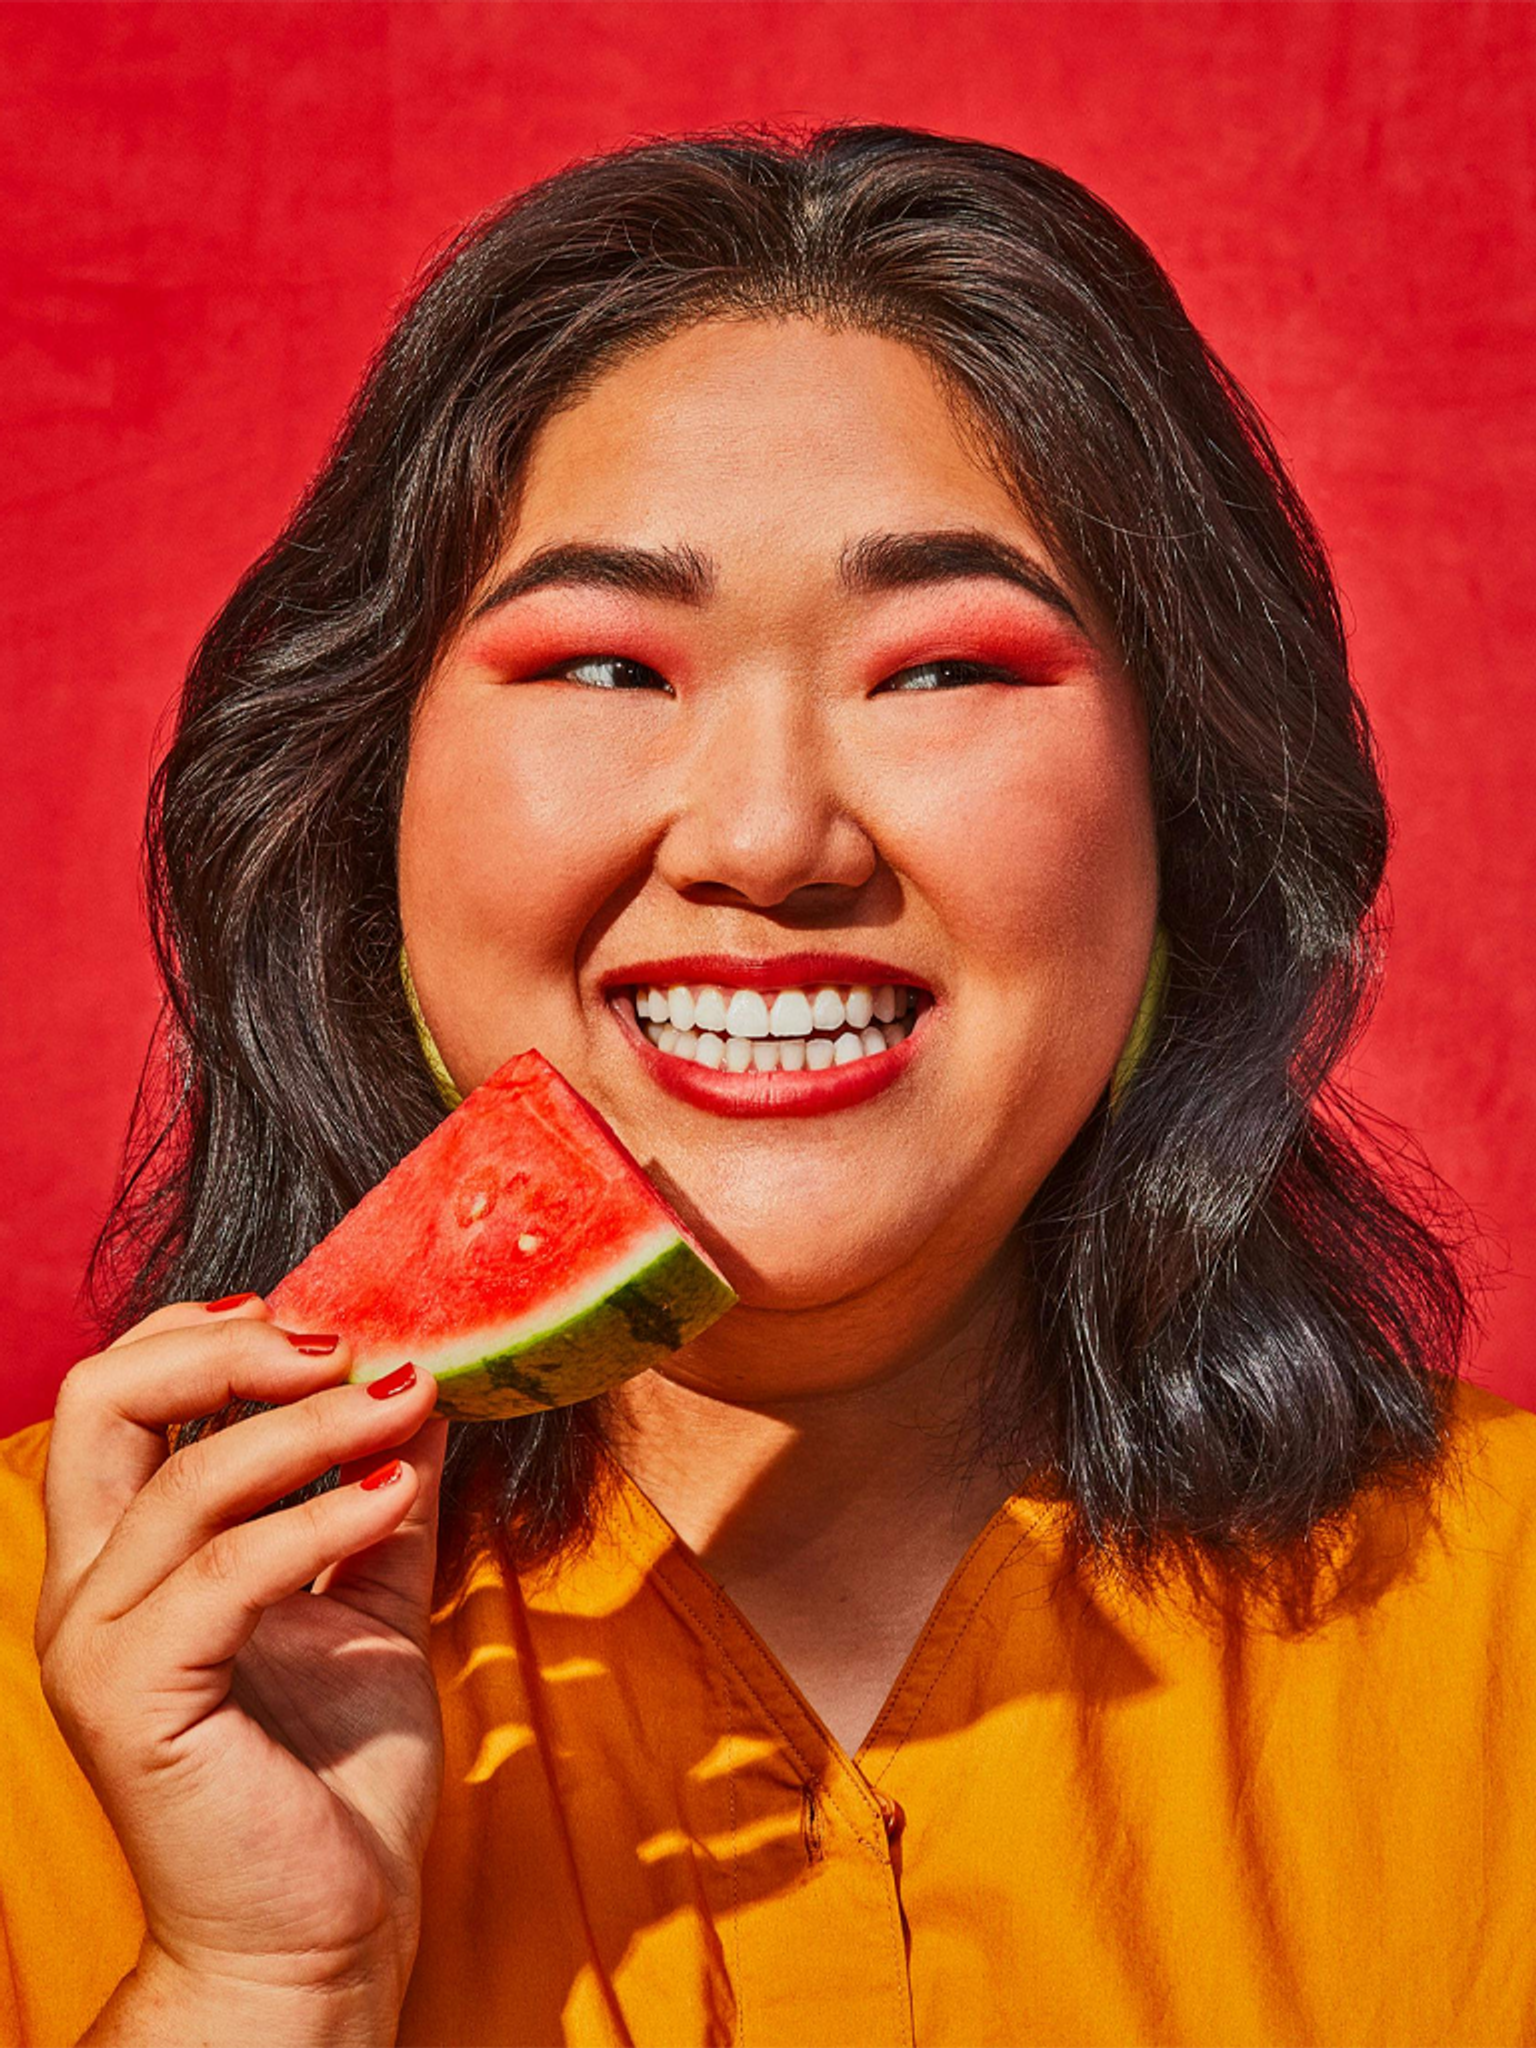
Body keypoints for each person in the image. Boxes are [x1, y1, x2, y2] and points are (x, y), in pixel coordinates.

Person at [2, 120, 1532, 2048]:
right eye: (609, 669)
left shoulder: (1508, 1649)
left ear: (1189, 826)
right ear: (357, 802)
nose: (768, 835)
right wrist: (257, 1984)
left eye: (945, 669)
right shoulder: (54, 1659)